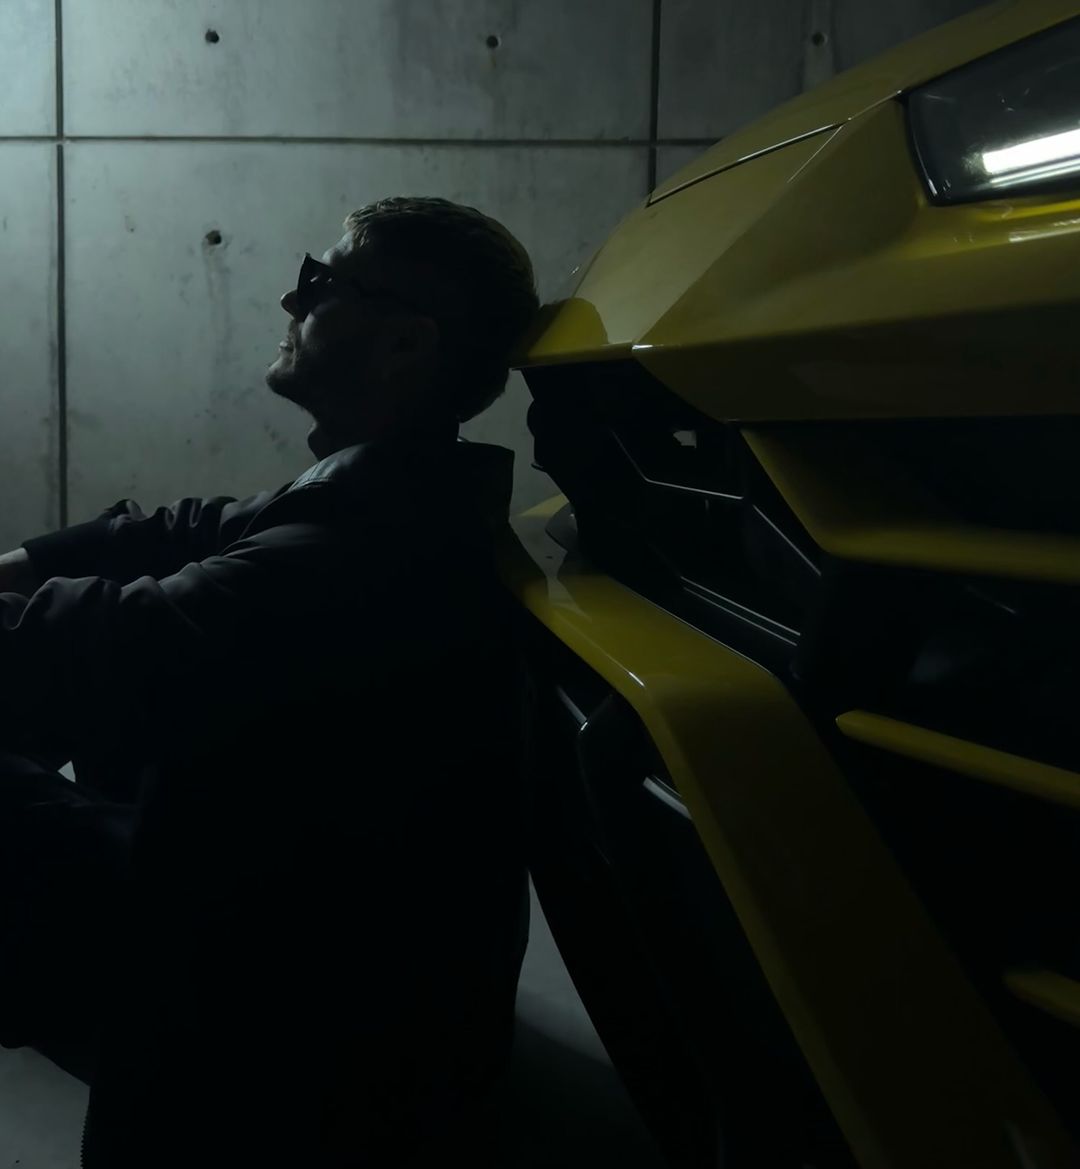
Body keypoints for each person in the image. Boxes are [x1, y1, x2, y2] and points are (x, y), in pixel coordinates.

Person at [0, 196, 539, 1167]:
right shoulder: (401, 485)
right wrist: (18, 566)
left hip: (301, 1011)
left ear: (404, 343)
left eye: (322, 281)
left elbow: (86, 655)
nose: (292, 298)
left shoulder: (371, 546)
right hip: (309, 927)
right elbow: (174, 529)